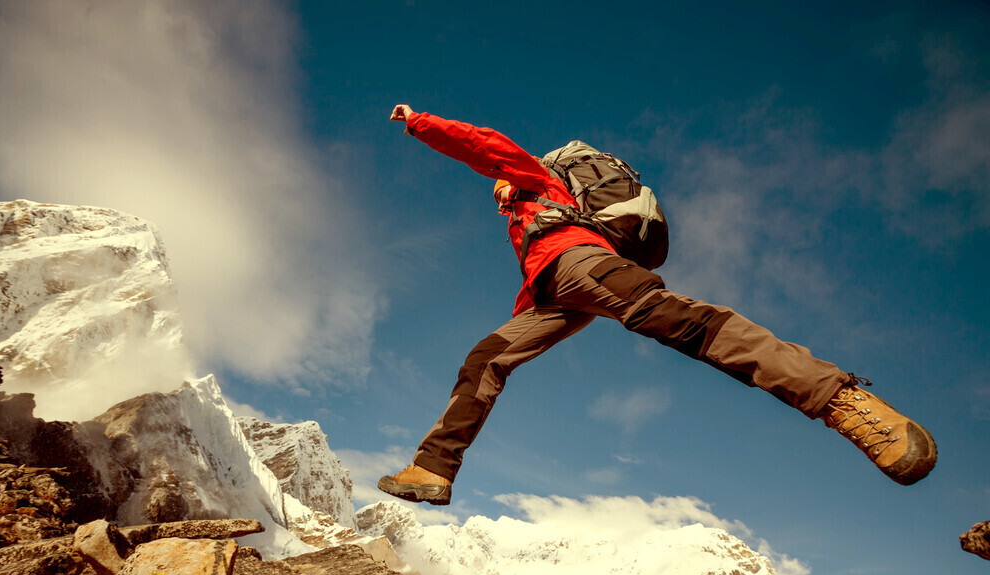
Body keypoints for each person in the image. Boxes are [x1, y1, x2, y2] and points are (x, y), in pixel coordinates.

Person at [378, 104, 937, 506]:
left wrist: (420, 122)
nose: (497, 192)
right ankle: (431, 468)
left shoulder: (537, 179)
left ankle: (841, 400)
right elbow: (538, 259)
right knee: (486, 359)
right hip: (552, 294)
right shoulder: (523, 222)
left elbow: (483, 144)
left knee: (681, 321)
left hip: (582, 266)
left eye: (500, 187)